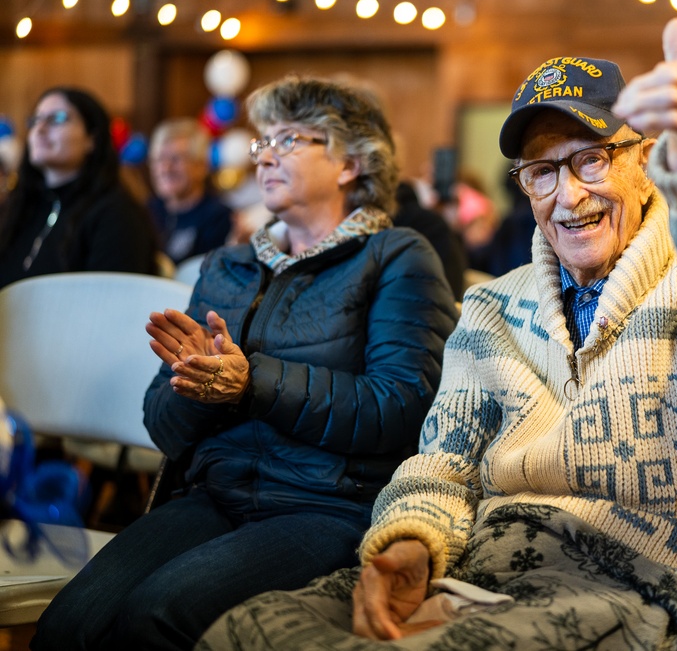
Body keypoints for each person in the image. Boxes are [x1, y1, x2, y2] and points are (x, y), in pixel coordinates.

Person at [197, 18, 677, 650]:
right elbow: (441, 466)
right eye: (541, 171)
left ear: (644, 160)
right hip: (488, 567)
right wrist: (409, 544)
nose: (568, 195)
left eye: (591, 159)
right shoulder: (490, 309)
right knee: (241, 631)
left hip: (651, 585)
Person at [30, 75, 458, 651]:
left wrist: (250, 383)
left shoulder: (397, 256)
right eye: (263, 141)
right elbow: (161, 426)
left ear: (352, 163)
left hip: (327, 507)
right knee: (68, 624)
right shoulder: (229, 265)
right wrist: (194, 384)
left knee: (156, 615)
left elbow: (401, 408)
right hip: (214, 494)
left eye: (290, 140)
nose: (265, 157)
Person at [0, 87, 159, 289]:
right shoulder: (20, 207)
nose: (39, 130)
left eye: (57, 119)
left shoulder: (116, 215)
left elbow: (112, 303)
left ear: (92, 139)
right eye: (35, 120)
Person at [147, 117, 233, 265]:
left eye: (176, 159)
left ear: (201, 166)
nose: (165, 168)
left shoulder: (219, 218)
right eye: (160, 159)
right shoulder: (146, 211)